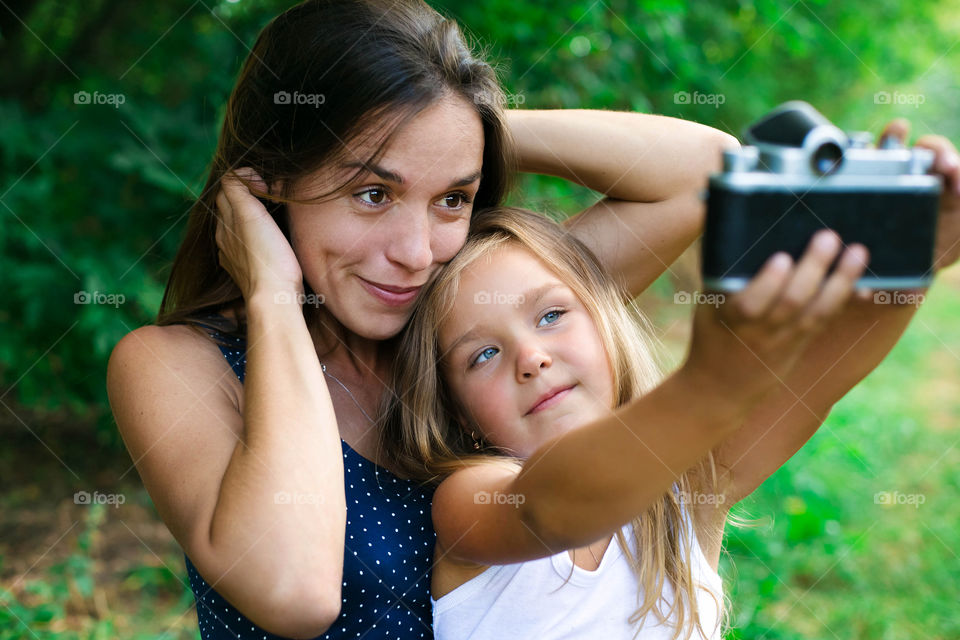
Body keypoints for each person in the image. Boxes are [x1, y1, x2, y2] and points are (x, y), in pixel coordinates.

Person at [105, 0, 740, 638]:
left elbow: (709, 171)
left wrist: (460, 126)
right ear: (271, 177)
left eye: (451, 199)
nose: (415, 254)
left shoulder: (472, 324)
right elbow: (292, 590)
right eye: (373, 194)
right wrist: (274, 296)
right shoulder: (176, 365)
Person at [381, 187, 960, 638]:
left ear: (606, 319)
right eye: (483, 354)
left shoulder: (689, 487)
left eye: (552, 315)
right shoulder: (470, 502)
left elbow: (818, 378)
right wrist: (710, 383)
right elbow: (550, 510)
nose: (530, 358)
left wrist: (919, 251)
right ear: (457, 415)